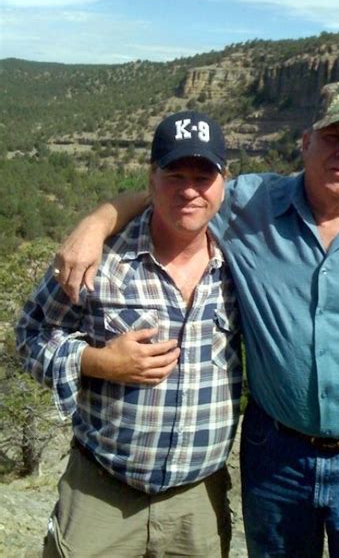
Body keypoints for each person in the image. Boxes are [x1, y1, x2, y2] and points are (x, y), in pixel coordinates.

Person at [52, 81, 339, 558]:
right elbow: (177, 192)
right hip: (277, 462)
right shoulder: (250, 204)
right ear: (306, 142)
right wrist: (96, 224)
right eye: (333, 137)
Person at [16, 111, 242, 558]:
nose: (189, 190)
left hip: (197, 501)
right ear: (151, 177)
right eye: (174, 175)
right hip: (101, 491)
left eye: (203, 177)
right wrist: (94, 362)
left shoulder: (242, 261)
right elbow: (30, 332)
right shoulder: (100, 258)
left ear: (224, 182)